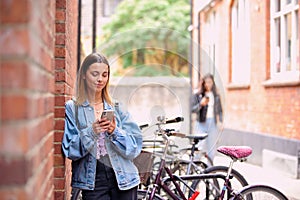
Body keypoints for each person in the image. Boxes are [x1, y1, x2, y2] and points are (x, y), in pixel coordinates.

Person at [62, 53, 143, 200]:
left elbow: (135, 147)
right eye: (95, 74)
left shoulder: (117, 107)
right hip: (92, 181)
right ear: (84, 75)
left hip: (124, 178)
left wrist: (115, 132)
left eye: (104, 75)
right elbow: (70, 150)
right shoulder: (73, 108)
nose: (100, 79)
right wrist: (91, 131)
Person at [191, 73, 223, 160]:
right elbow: (192, 110)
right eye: (206, 82)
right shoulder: (198, 95)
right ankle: (194, 166)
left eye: (210, 82)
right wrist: (201, 104)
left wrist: (220, 121)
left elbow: (220, 110)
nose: (208, 84)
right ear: (203, 83)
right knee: (198, 147)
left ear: (213, 83)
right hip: (200, 123)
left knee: (211, 149)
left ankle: (210, 169)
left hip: (212, 123)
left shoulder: (216, 95)